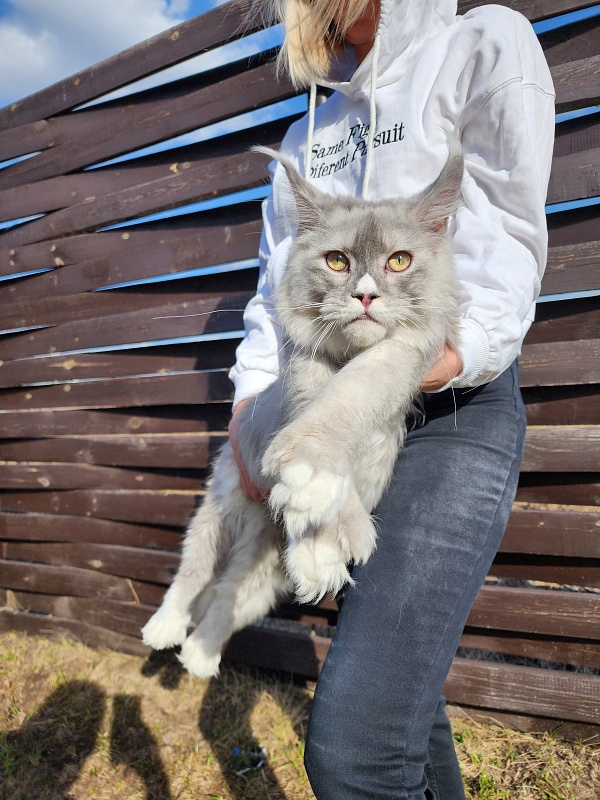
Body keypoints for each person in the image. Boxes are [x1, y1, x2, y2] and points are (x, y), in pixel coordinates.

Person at [228, 0, 555, 797]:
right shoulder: (310, 133)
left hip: (451, 406)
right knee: (403, 706)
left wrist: (429, 360)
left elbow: (509, 242)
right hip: (321, 407)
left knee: (356, 751)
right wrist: (250, 413)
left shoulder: (484, 43)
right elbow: (278, 297)